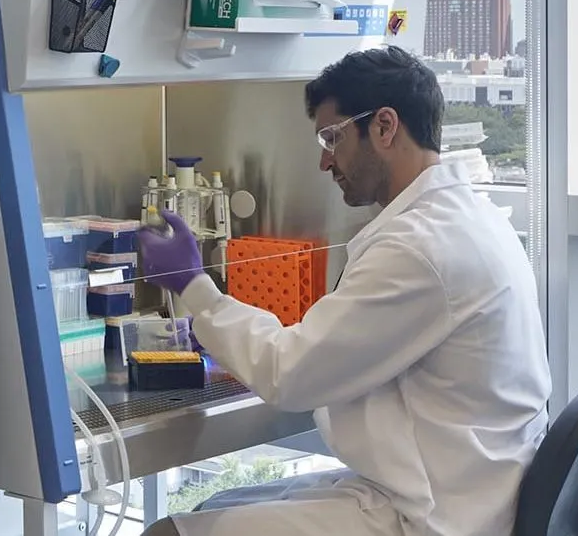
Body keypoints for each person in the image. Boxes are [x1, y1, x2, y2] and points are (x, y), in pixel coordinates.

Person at [140, 46, 550, 536]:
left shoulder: (421, 248)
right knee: (222, 502)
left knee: (168, 534)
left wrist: (194, 285)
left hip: (436, 517)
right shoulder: (466, 216)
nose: (323, 161)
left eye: (332, 138)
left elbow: (288, 373)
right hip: (460, 487)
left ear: (383, 126)